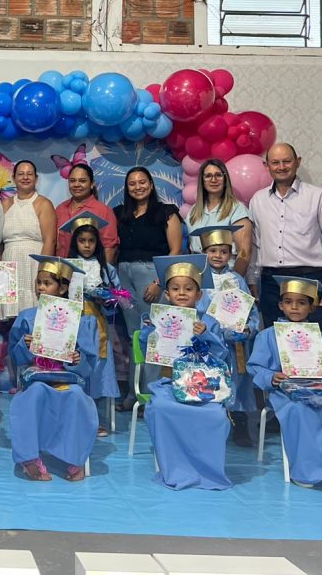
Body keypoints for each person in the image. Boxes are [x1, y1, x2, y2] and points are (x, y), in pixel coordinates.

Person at [249, 276, 322, 489]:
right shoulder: (268, 336)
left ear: (312, 308)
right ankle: (307, 471)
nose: (294, 307)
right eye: (288, 302)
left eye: (301, 303)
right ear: (280, 305)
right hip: (285, 394)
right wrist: (271, 377)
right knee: (302, 411)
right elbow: (255, 367)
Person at [142, 254, 232, 490]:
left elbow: (221, 354)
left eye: (189, 289)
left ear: (199, 295)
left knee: (215, 415)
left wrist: (205, 335)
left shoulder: (208, 321)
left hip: (202, 386)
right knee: (160, 408)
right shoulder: (158, 319)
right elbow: (146, 351)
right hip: (168, 383)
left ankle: (207, 471)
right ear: (166, 294)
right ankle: (175, 468)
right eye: (175, 288)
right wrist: (149, 333)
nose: (182, 293)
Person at [8, 255, 98, 482]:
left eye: (47, 283)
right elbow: (15, 358)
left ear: (63, 288)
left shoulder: (78, 320)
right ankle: (29, 458)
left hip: (67, 379)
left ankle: (75, 457)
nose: (40, 288)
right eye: (38, 282)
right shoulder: (27, 317)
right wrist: (25, 346)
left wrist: (76, 359)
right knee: (34, 395)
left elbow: (89, 366)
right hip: (36, 379)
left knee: (77, 397)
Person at [248, 143, 322, 330]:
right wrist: (252, 280)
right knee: (273, 340)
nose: (281, 167)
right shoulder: (258, 200)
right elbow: (255, 244)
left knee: (311, 341)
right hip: (270, 281)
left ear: (297, 162)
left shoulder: (318, 196)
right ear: (266, 166)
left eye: (287, 161)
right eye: (275, 162)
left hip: (309, 279)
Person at [113, 166, 182, 409]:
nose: (138, 187)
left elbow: (176, 250)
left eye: (142, 182)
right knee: (134, 336)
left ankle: (151, 395)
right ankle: (134, 395)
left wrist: (160, 282)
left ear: (151, 184)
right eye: (132, 183)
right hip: (124, 276)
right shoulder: (119, 214)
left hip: (152, 276)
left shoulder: (166, 212)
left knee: (153, 335)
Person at [192, 224, 260, 447]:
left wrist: (248, 329)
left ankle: (240, 423)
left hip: (233, 345)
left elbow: (250, 311)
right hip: (208, 342)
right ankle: (208, 423)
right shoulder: (197, 279)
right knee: (208, 380)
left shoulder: (237, 280)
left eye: (224, 251)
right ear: (204, 252)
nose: (218, 255)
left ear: (231, 254)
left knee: (237, 382)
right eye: (212, 250)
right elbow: (192, 308)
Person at [62, 212, 122, 435]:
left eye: (91, 241)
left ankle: (93, 418)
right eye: (82, 240)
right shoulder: (66, 267)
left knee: (96, 368)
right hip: (73, 323)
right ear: (74, 242)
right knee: (75, 365)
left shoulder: (106, 269)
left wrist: (108, 299)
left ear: (97, 243)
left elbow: (119, 301)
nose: (87, 245)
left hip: (97, 324)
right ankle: (72, 416)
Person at [0, 160, 56, 322]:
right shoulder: (4, 204)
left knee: (34, 318)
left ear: (36, 178)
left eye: (29, 174)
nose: (25, 177)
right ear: (14, 178)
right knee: (12, 321)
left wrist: (43, 272)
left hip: (34, 265)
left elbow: (50, 240)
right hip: (9, 263)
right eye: (21, 174)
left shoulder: (43, 204)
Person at [185, 160, 253, 276]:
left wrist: (234, 281)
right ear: (202, 181)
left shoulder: (237, 209)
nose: (213, 180)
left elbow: (244, 253)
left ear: (225, 179)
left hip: (227, 275)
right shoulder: (193, 211)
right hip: (199, 276)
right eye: (208, 176)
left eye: (218, 175)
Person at [55, 163, 119, 265]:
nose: (76, 184)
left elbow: (109, 248)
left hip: (91, 271)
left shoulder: (103, 211)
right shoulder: (60, 209)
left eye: (82, 181)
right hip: (61, 269)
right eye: (72, 181)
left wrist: (103, 272)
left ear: (92, 184)